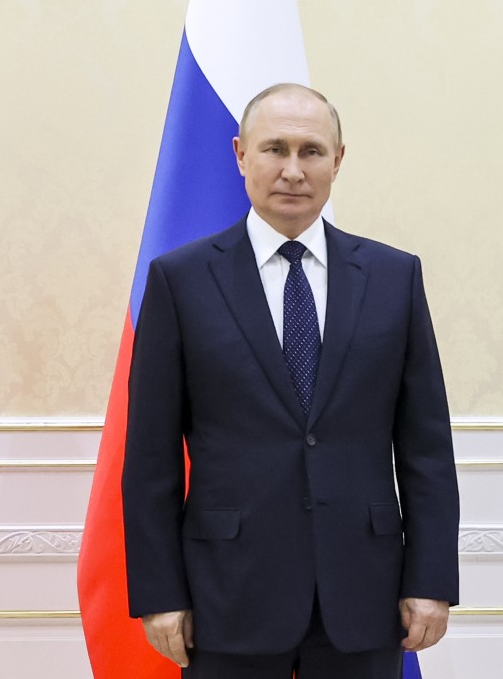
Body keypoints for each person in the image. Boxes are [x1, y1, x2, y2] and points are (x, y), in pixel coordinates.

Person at [122, 83, 459, 678]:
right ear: (240, 155)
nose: (293, 170)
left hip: (364, 595)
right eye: (275, 148)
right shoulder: (180, 281)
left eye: (311, 150)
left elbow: (426, 448)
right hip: (227, 594)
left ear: (338, 159)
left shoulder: (393, 277)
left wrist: (431, 580)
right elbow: (150, 458)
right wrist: (159, 594)